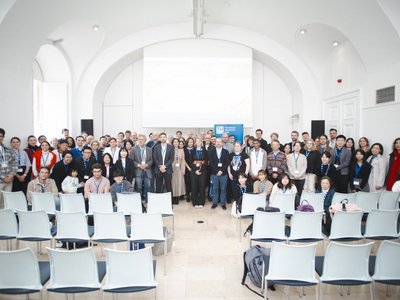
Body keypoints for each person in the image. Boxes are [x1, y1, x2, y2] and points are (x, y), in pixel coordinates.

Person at [130, 134, 153, 200]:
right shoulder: (133, 149)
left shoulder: (149, 149)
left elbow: (151, 160)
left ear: (145, 140)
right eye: (140, 139)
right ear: (138, 140)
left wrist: (146, 165)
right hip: (138, 171)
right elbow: (131, 160)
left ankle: (147, 201)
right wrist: (139, 165)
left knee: (148, 187)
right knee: (138, 187)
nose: (141, 141)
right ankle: (138, 202)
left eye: (143, 139)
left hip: (147, 171)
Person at [209, 138, 230, 210]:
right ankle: (215, 203)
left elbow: (227, 162)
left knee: (223, 189)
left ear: (222, 143)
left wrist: (221, 171)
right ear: (215, 143)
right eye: (217, 142)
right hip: (214, 174)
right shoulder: (211, 151)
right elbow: (211, 163)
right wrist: (217, 171)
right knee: (215, 189)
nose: (218, 143)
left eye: (219, 142)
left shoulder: (226, 151)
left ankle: (223, 203)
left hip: (223, 174)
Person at [0, 128, 18, 208]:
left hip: (9, 180)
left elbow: (14, 163)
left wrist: (12, 174)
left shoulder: (8, 150)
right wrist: (3, 177)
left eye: (1, 136)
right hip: (1, 179)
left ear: (3, 137)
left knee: (6, 203)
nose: (0, 137)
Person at [190, 138, 208, 208]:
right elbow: (190, 161)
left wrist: (200, 170)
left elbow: (206, 161)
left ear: (201, 142)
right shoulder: (192, 151)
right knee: (194, 187)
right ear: (195, 142)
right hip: (194, 171)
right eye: (197, 141)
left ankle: (201, 202)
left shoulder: (205, 151)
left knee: (202, 187)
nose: (198, 142)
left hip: (203, 171)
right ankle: (195, 202)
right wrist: (195, 170)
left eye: (199, 141)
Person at [171, 138, 186, 204]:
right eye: (174, 142)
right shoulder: (170, 150)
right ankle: (174, 197)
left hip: (179, 168)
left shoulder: (181, 150)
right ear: (173, 143)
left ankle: (179, 195)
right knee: (173, 182)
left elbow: (183, 160)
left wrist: (183, 169)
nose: (176, 143)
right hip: (172, 168)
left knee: (180, 182)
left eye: (177, 142)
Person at [184, 137, 195, 202]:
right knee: (187, 182)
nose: (190, 143)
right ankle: (188, 195)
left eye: (191, 142)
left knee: (193, 182)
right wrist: (188, 167)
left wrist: (193, 168)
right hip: (187, 168)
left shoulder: (195, 149)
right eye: (189, 142)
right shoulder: (184, 150)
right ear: (187, 143)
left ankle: (193, 195)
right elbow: (183, 160)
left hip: (194, 169)